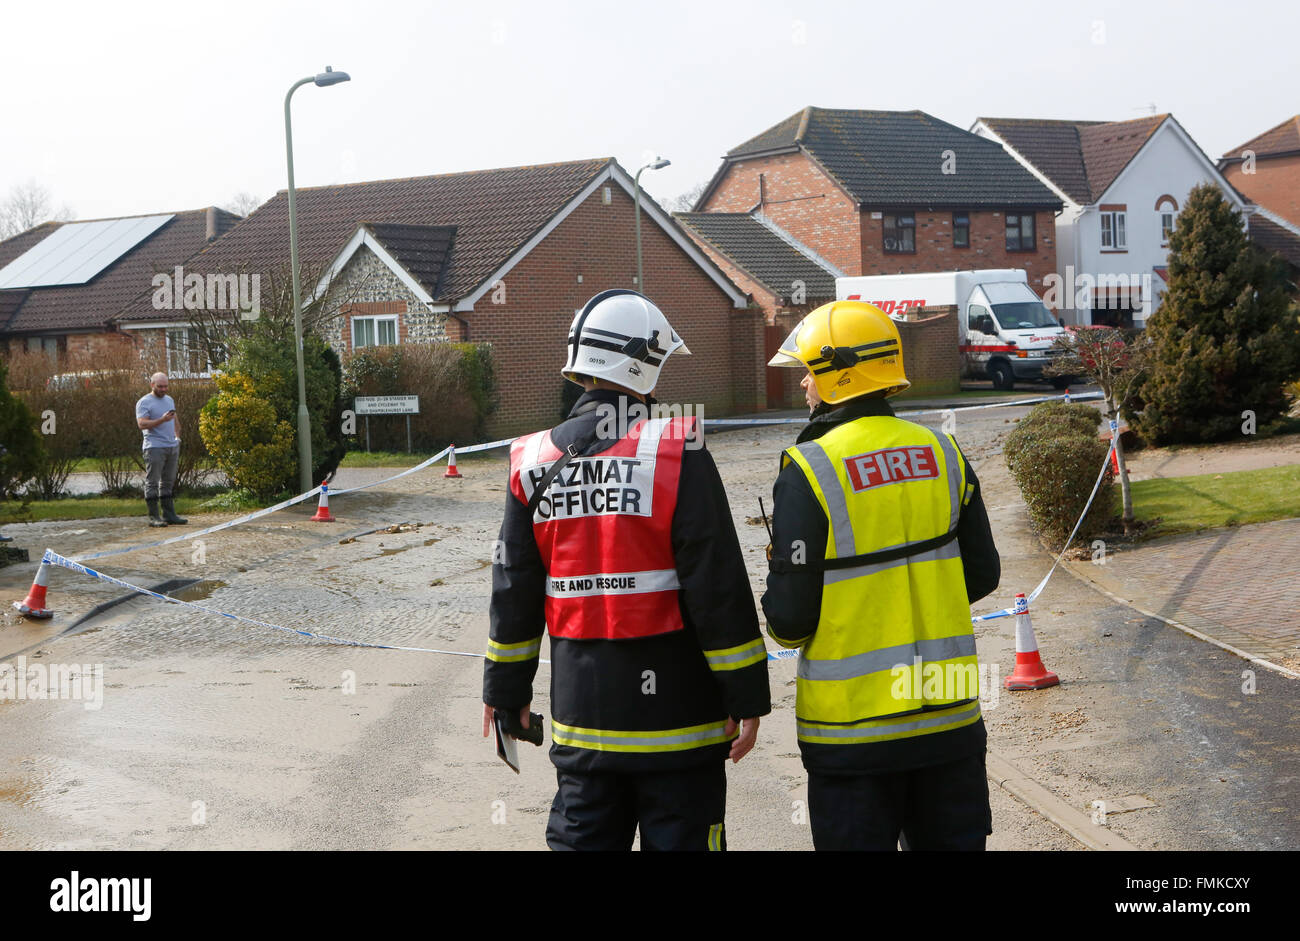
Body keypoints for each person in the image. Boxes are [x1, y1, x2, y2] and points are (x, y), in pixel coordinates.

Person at [482, 289, 770, 851]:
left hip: (583, 731)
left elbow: (513, 590)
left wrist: (505, 691)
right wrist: (746, 695)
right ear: (646, 366)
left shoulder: (532, 459)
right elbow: (719, 586)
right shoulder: (677, 448)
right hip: (681, 733)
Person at [761, 300, 1001, 851]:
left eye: (809, 371)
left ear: (838, 374)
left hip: (853, 737)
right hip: (949, 724)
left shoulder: (808, 469)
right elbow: (983, 574)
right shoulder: (943, 451)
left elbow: (791, 623)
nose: (802, 385)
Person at [135, 372, 187, 528]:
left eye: (166, 386)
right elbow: (142, 424)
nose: (164, 389)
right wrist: (162, 420)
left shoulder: (169, 399)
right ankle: (153, 516)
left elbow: (175, 420)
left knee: (168, 481)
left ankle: (169, 514)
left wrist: (177, 437)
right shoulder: (144, 402)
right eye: (160, 386)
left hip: (172, 446)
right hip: (154, 447)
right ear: (152, 385)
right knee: (152, 482)